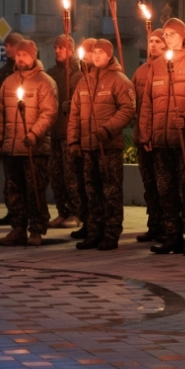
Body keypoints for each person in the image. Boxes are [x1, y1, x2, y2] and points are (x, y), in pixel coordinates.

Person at [142, 19, 185, 256]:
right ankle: (172, 235)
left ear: (183, 37)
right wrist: (147, 132)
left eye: (173, 34)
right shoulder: (157, 66)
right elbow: (148, 103)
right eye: (167, 34)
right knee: (165, 189)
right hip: (162, 141)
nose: (169, 37)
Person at [68, 39, 137, 249]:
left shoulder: (119, 80)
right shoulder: (84, 81)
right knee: (92, 190)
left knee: (111, 191)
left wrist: (108, 129)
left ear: (109, 56)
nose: (97, 56)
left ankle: (111, 232)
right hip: (88, 147)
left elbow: (128, 109)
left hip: (108, 147)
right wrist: (73, 140)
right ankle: (94, 231)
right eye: (94, 52)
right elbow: (75, 112)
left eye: (101, 52)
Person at [0, 37, 59, 247]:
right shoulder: (9, 82)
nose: (20, 58)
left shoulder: (45, 82)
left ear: (33, 56)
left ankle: (36, 230)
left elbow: (49, 113)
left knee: (35, 191)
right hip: (12, 148)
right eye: (18, 55)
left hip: (34, 149)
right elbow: (0, 113)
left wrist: (34, 134)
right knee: (14, 191)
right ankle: (18, 228)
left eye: (25, 55)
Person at [132, 29, 173, 247]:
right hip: (143, 136)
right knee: (149, 185)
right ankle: (154, 224)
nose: (153, 45)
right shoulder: (140, 72)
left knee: (164, 186)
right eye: (151, 41)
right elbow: (137, 104)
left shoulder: (170, 68)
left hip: (160, 137)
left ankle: (169, 227)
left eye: (158, 41)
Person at [49, 34, 84, 232]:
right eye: (55, 47)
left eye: (61, 48)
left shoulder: (78, 74)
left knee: (71, 176)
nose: (57, 51)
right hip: (54, 131)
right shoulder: (52, 73)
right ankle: (62, 210)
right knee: (56, 175)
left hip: (69, 133)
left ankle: (76, 212)